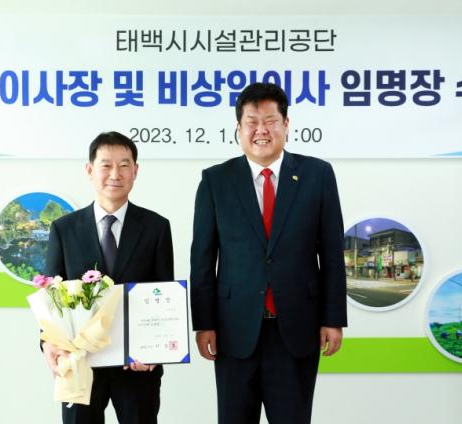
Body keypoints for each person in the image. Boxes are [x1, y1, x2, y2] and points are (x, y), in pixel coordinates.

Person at [190, 83, 347, 424]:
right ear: (239, 128)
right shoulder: (216, 180)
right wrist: (203, 324)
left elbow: (333, 254)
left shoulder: (317, 175)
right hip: (234, 330)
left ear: (286, 125)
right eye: (252, 122)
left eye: (271, 121)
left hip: (297, 327)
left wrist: (333, 318)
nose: (261, 130)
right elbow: (202, 259)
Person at [42, 131, 174, 424]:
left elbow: (165, 296)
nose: (115, 174)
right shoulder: (64, 229)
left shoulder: (156, 227)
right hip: (80, 365)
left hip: (137, 366)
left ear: (135, 171)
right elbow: (51, 298)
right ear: (90, 170)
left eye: (124, 165)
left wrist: (156, 349)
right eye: (106, 165)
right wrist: (47, 343)